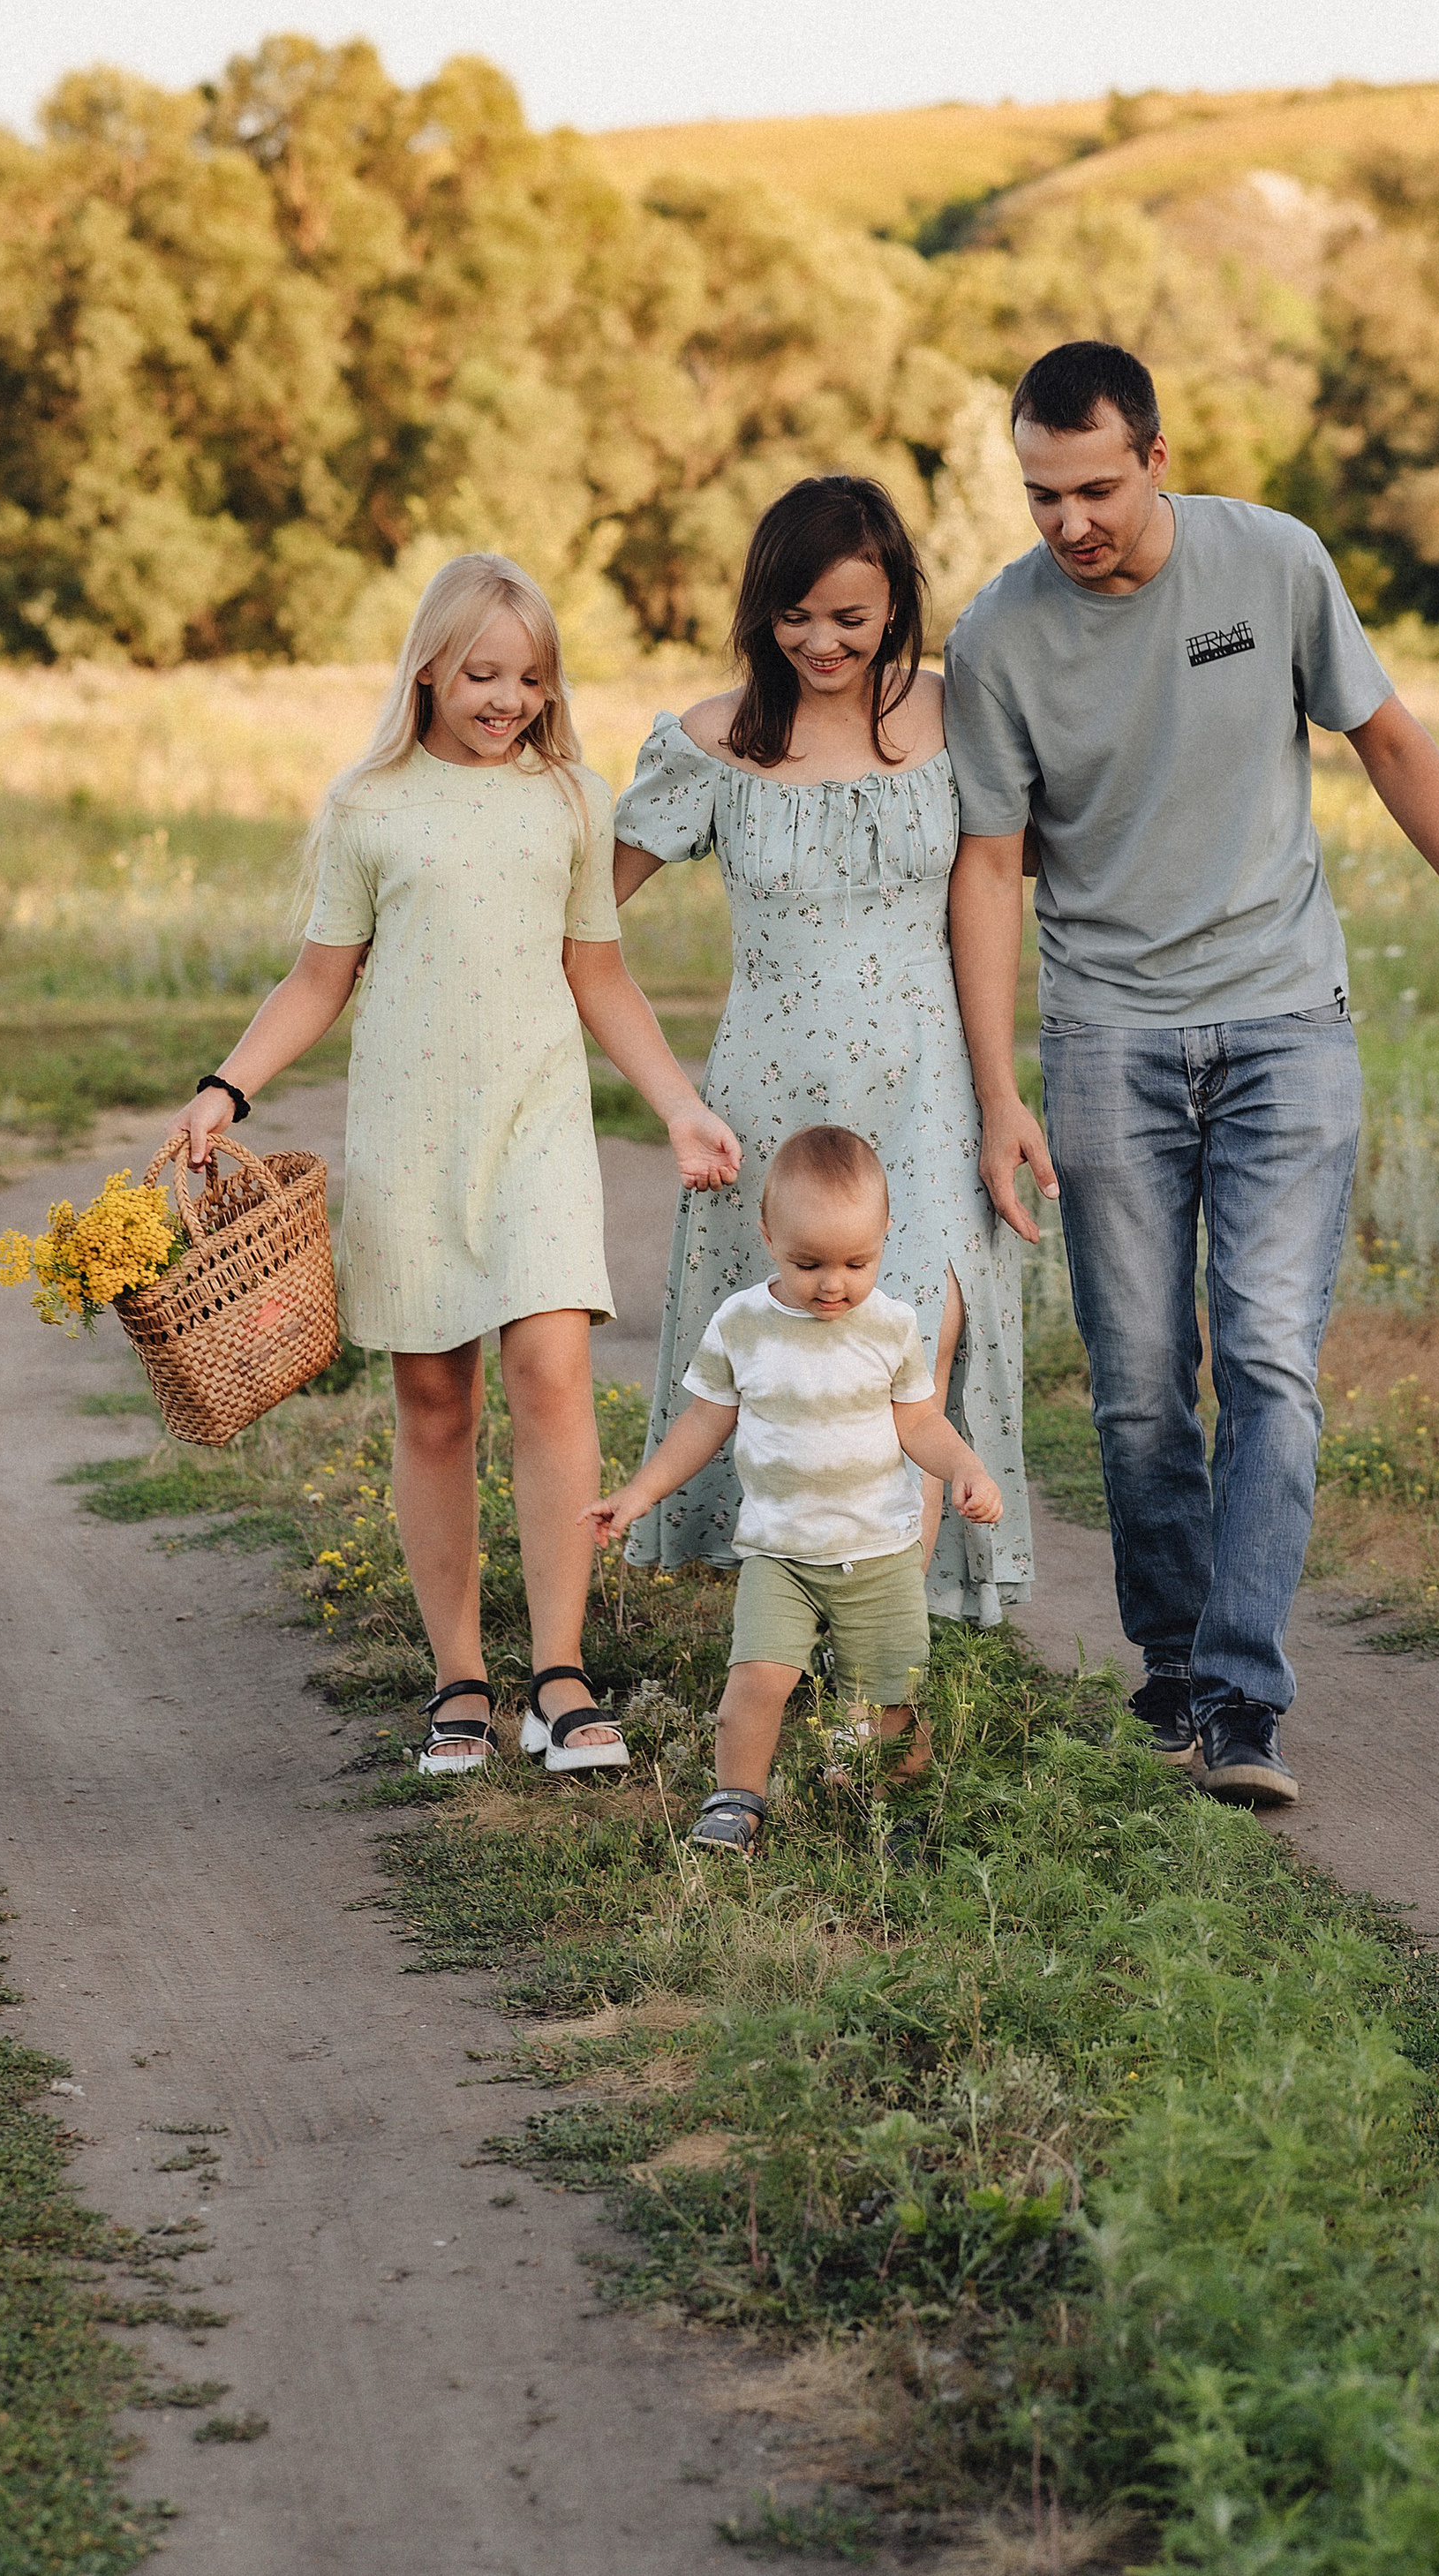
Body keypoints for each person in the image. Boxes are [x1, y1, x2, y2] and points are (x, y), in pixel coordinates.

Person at [944, 341, 1439, 1810]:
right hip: (1109, 1036)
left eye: (1096, 486)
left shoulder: (1272, 561)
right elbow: (992, 865)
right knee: (1141, 1391)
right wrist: (1000, 1088)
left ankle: (1243, 1695)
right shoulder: (998, 636)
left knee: (1270, 1357)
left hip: (1287, 1024)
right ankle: (1172, 1665)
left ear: (1158, 455)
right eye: (1042, 493)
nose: (1070, 521)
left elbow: (1389, 739)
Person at [163, 552, 740, 1780]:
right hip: (409, 1137)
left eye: (530, 677)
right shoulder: (370, 805)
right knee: (435, 1404)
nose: (507, 699)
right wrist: (225, 1086)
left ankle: (560, 1675)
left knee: (553, 1374)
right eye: (482, 674)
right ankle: (460, 1679)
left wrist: (681, 1107)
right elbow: (320, 978)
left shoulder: (571, 798)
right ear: (428, 668)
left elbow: (599, 974)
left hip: (536, 1129)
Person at [612, 472, 1032, 1626]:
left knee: (913, 1354)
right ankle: (789, 1616)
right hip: (770, 1103)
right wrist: (668, 1091)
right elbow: (583, 919)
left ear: (896, 604)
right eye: (794, 615)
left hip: (927, 1090)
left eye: (849, 616)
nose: (820, 642)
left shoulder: (952, 714)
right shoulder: (714, 741)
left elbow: (995, 886)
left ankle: (891, 1648)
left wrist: (1004, 1095)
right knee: (789, 1360)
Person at [583, 1126, 1004, 1854]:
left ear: (886, 1233)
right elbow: (703, 1421)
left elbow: (919, 1422)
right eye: (808, 1264)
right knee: (756, 1680)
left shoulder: (893, 1326)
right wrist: (640, 1492)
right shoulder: (743, 1324)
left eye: (856, 1263)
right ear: (768, 1234)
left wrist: (965, 1468)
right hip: (780, 1553)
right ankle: (736, 1801)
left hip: (879, 1553)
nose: (832, 1284)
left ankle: (892, 1811)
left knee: (891, 1698)